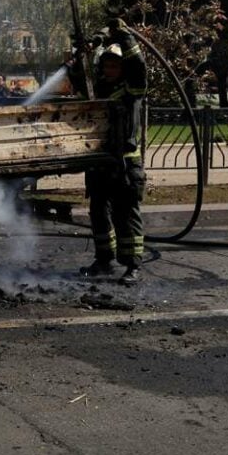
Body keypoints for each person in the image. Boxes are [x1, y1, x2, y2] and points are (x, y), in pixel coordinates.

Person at [77, 18, 147, 286]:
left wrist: (126, 37)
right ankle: (104, 260)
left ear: (122, 67)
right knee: (98, 211)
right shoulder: (99, 89)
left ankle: (132, 266)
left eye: (115, 64)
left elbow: (138, 66)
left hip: (125, 164)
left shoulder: (132, 90)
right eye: (107, 64)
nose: (110, 68)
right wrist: (82, 49)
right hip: (100, 163)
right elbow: (80, 77)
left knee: (125, 214)